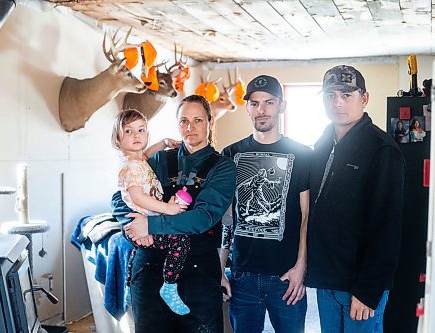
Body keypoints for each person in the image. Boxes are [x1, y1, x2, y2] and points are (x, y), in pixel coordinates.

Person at [111, 94, 236, 333]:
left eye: (198, 120)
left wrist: (151, 225)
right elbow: (119, 197)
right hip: (149, 267)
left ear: (210, 121)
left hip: (198, 271)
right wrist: (131, 228)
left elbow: (203, 217)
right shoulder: (159, 159)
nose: (190, 128)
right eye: (184, 121)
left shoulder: (222, 166)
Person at [306, 65, 405, 333]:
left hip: (360, 287)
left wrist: (368, 290)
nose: (337, 102)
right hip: (327, 281)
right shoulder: (324, 142)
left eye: (346, 95)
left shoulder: (381, 150)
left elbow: (387, 228)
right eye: (330, 95)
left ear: (364, 98)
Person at [220, 74, 312, 333]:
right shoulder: (230, 154)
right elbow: (226, 218)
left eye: (269, 103)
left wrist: (301, 268)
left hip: (286, 277)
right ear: (248, 108)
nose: (261, 110)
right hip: (242, 276)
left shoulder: (303, 154)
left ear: (281, 106)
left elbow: (306, 216)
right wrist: (220, 269)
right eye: (255, 103)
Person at [111, 109, 192, 315]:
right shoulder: (131, 167)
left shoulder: (137, 161)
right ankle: (170, 286)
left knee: (135, 254)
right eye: (128, 131)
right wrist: (168, 208)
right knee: (180, 242)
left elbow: (146, 154)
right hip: (144, 225)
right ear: (118, 139)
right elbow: (137, 197)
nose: (136, 135)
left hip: (143, 223)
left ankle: (129, 288)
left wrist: (164, 142)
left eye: (141, 130)